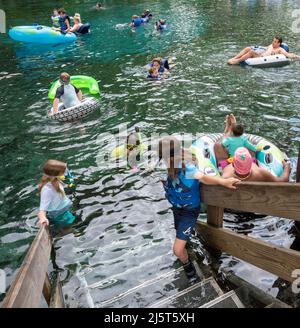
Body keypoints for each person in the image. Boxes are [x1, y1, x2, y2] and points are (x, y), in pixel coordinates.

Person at [158, 137, 239, 281]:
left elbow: (203, 177)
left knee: (177, 250)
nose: (164, 162)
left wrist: (224, 182)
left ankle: (189, 268)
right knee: (179, 232)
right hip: (177, 209)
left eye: (164, 158)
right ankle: (186, 244)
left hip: (189, 212)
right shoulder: (171, 166)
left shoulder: (187, 168)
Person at [38, 160, 76, 228]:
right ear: (55, 174)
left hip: (65, 207)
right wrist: (43, 218)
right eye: (64, 172)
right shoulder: (47, 190)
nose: (66, 172)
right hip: (59, 214)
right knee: (68, 227)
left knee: (73, 222)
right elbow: (42, 210)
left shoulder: (55, 179)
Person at [222, 147, 291, 182]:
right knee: (251, 148)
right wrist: (286, 168)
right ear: (252, 162)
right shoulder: (261, 173)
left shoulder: (226, 176)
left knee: (218, 147)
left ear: (233, 165)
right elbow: (281, 181)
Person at [228, 36, 300, 65]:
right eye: (273, 41)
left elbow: (287, 55)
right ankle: (235, 57)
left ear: (279, 43)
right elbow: (264, 48)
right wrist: (257, 48)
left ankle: (236, 61)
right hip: (260, 54)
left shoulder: (280, 49)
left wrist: (296, 56)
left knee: (251, 52)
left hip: (261, 58)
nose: (273, 42)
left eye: (275, 41)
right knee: (248, 48)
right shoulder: (271, 45)